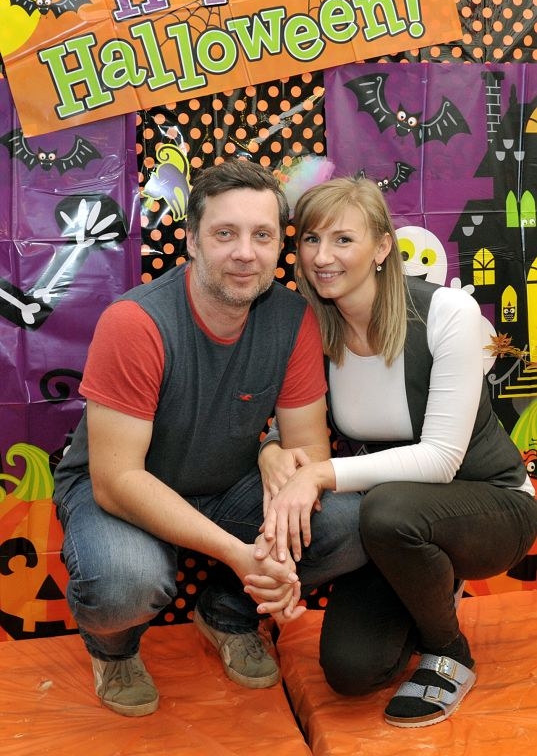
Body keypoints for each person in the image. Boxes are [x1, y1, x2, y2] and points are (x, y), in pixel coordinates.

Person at [53, 159, 366, 717]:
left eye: (262, 235)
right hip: (123, 493)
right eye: (225, 234)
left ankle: (228, 614)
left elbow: (310, 454)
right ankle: (114, 650)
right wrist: (242, 556)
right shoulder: (136, 322)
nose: (245, 253)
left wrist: (276, 462)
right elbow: (117, 480)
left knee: (349, 521)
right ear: (192, 241)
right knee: (124, 583)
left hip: (227, 487)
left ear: (279, 246)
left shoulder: (294, 318)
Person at [259, 176, 537, 728]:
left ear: (383, 247)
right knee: (351, 670)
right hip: (390, 522)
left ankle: (449, 651)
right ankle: (428, 583)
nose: (322, 257)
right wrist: (271, 449)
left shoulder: (447, 311)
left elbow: (440, 459)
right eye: (311, 239)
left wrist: (319, 475)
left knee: (386, 510)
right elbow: (287, 419)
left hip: (489, 504)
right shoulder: (311, 326)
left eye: (343, 239)